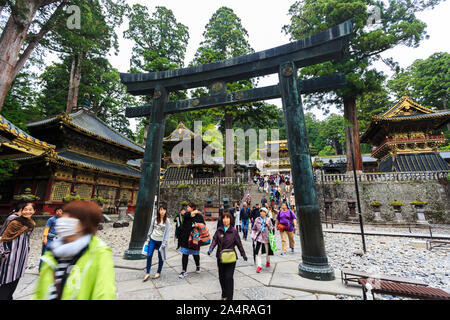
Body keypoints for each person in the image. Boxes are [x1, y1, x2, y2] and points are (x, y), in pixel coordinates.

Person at [33, 201, 115, 300]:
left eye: (70, 217)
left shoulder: (99, 253)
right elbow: (39, 293)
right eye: (64, 215)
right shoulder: (53, 252)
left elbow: (104, 294)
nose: (63, 220)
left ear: (84, 223)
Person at [0, 202, 36, 300]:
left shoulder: (31, 223)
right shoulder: (14, 221)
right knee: (7, 280)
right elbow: (3, 237)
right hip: (11, 255)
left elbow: (26, 239)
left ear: (34, 211)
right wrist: (5, 252)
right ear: (21, 210)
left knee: (16, 280)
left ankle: (8, 297)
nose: (28, 211)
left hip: (22, 256)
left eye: (30, 209)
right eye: (26, 209)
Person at [208, 211, 247, 300]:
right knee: (221, 277)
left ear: (230, 219)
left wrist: (243, 254)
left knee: (229, 277)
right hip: (221, 257)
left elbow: (239, 243)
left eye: (227, 218)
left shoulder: (234, 231)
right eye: (224, 218)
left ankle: (230, 297)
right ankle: (224, 294)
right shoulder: (219, 230)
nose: (225, 220)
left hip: (231, 258)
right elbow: (214, 240)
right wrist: (211, 248)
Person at [144, 204, 171, 281]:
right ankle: (147, 273)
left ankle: (158, 272)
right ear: (159, 211)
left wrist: (164, 243)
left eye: (164, 210)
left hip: (161, 241)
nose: (162, 211)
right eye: (161, 210)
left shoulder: (167, 221)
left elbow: (167, 233)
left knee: (160, 257)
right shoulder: (154, 219)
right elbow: (151, 228)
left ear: (166, 211)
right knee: (149, 255)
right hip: (153, 239)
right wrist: (148, 237)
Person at [178, 202, 205, 279]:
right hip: (186, 238)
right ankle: (184, 270)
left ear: (192, 208)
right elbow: (185, 215)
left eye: (188, 207)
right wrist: (192, 213)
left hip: (195, 238)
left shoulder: (199, 216)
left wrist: (198, 225)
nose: (187, 208)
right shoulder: (187, 215)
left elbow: (203, 224)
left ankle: (198, 266)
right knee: (185, 254)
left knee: (195, 254)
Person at [39, 206, 63, 271]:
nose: (58, 212)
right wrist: (45, 238)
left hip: (58, 239)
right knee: (45, 254)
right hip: (50, 239)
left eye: (60, 211)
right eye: (57, 211)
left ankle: (51, 269)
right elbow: (46, 229)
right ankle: (41, 270)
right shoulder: (51, 219)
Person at [251, 208, 273, 273]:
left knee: (267, 251)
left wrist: (268, 225)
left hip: (267, 238)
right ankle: (259, 266)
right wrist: (253, 236)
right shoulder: (257, 219)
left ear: (266, 213)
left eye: (263, 212)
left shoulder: (268, 220)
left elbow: (272, 228)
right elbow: (254, 229)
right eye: (261, 211)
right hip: (259, 238)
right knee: (258, 253)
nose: (262, 213)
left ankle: (268, 261)